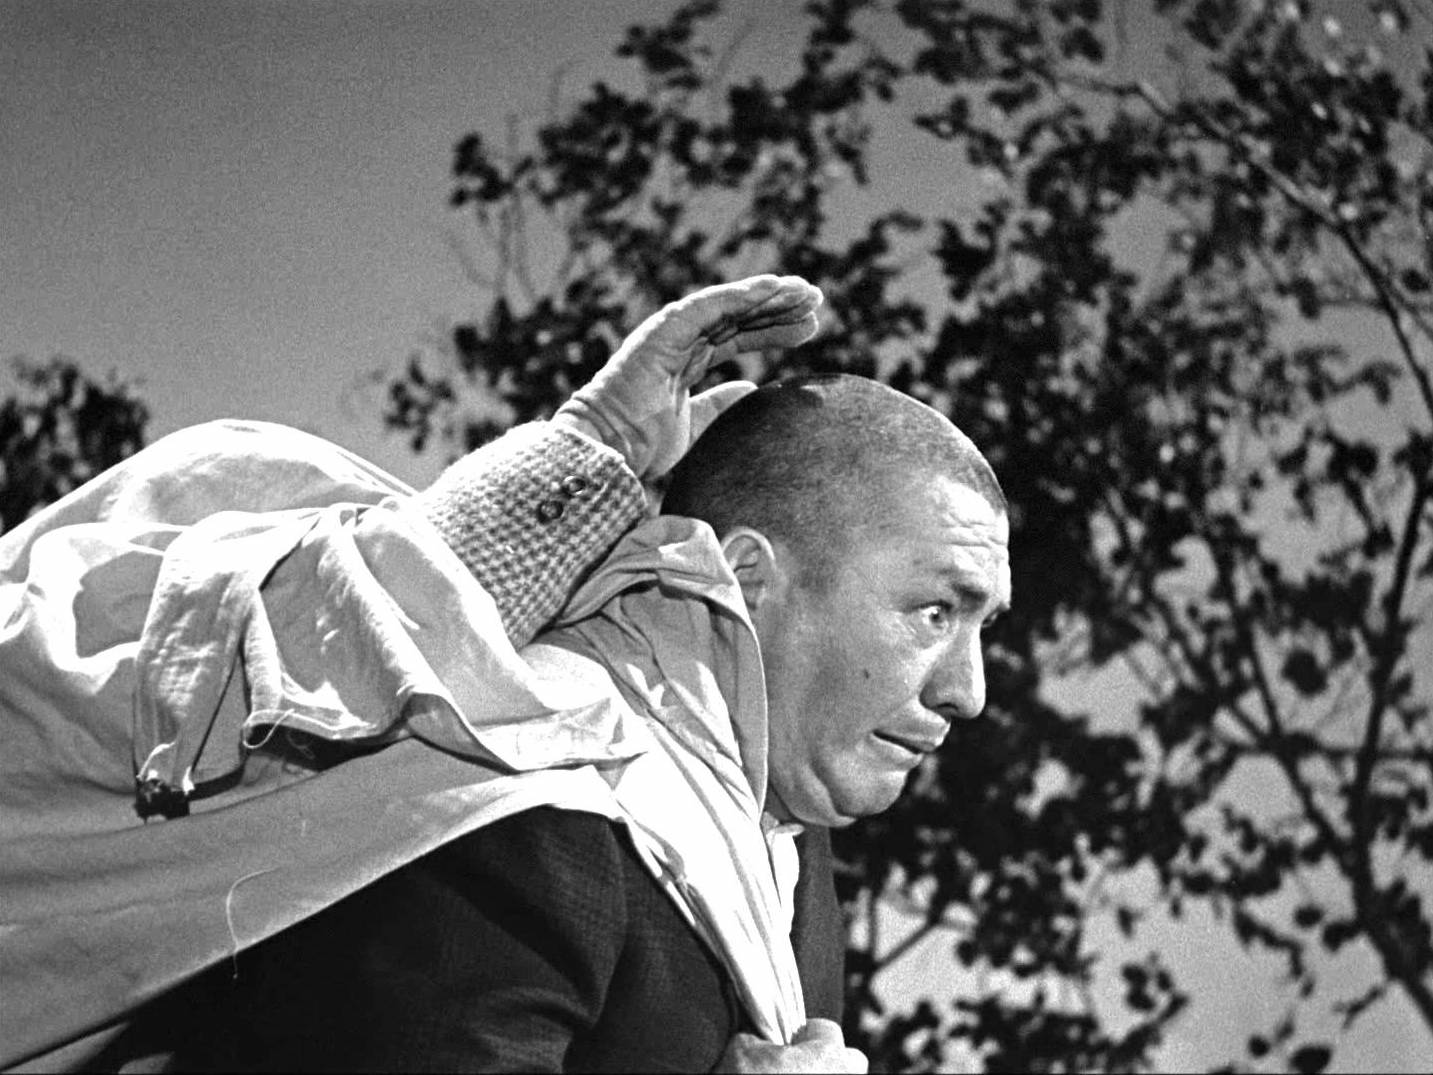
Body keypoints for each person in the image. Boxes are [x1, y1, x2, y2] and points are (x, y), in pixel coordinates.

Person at [0, 277, 1009, 1073]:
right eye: (934, 610)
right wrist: (580, 461)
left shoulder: (785, 868)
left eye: (982, 626)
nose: (968, 689)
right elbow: (301, 660)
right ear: (745, 577)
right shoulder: (523, 810)